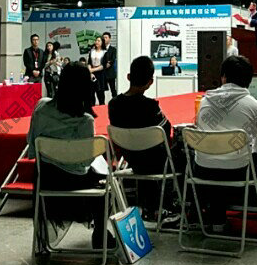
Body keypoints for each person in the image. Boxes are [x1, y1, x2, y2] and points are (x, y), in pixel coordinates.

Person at [194, 56, 257, 236]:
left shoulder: (205, 101)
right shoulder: (254, 106)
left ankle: (217, 222)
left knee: (217, 159)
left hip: (203, 170)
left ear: (223, 77)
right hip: (239, 171)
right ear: (249, 80)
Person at [27, 62, 114, 250]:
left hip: (45, 179)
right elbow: (83, 163)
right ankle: (100, 235)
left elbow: (31, 144)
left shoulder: (40, 107)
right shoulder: (85, 120)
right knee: (106, 181)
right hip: (72, 181)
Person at [108, 56, 183, 223]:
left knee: (147, 152)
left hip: (131, 159)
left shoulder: (113, 104)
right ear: (150, 82)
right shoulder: (151, 106)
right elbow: (166, 130)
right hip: (156, 162)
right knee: (180, 153)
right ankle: (174, 205)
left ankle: (150, 207)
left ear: (128, 77)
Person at [87, 37, 108, 105]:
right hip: (91, 74)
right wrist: (90, 71)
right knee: (91, 94)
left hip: (100, 74)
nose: (96, 42)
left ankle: (102, 108)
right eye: (96, 40)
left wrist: (93, 70)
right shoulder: (92, 51)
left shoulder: (104, 52)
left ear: (102, 43)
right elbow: (89, 62)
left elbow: (103, 65)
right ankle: (91, 108)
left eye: (99, 41)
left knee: (100, 94)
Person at [101, 32, 118, 99]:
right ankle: (102, 104)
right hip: (101, 73)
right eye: (103, 38)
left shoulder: (113, 49)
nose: (104, 39)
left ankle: (116, 103)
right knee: (101, 91)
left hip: (110, 73)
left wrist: (107, 63)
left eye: (106, 37)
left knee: (113, 90)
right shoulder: (100, 49)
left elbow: (112, 60)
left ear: (109, 38)